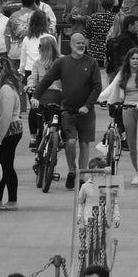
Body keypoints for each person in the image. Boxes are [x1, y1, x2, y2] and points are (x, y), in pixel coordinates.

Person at [34, 31, 102, 191]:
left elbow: (97, 86)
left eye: (83, 43)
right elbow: (47, 79)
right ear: (70, 45)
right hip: (68, 110)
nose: (81, 46)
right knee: (70, 142)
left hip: (86, 111)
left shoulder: (91, 63)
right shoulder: (62, 62)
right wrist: (36, 95)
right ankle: (72, 171)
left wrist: (88, 105)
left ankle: (82, 176)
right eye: (78, 43)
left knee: (84, 143)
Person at [102, 48, 138, 186]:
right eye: (133, 58)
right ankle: (136, 171)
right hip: (127, 110)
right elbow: (111, 89)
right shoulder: (123, 74)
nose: (135, 61)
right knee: (132, 145)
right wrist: (98, 99)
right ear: (128, 60)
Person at [0, 62, 26, 209]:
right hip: (3, 130)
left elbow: (5, 115)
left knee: (7, 165)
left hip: (10, 131)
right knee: (1, 164)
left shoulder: (6, 89)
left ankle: (12, 201)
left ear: (1, 70)